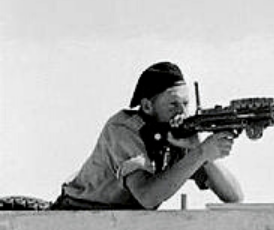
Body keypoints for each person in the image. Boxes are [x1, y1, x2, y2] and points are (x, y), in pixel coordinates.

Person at [52, 61, 243, 210]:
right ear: (147, 107)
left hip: (118, 222)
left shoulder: (177, 136)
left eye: (186, 104)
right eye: (173, 105)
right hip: (78, 212)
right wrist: (200, 153)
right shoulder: (124, 129)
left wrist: (200, 151)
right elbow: (147, 197)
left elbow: (233, 196)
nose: (182, 113)